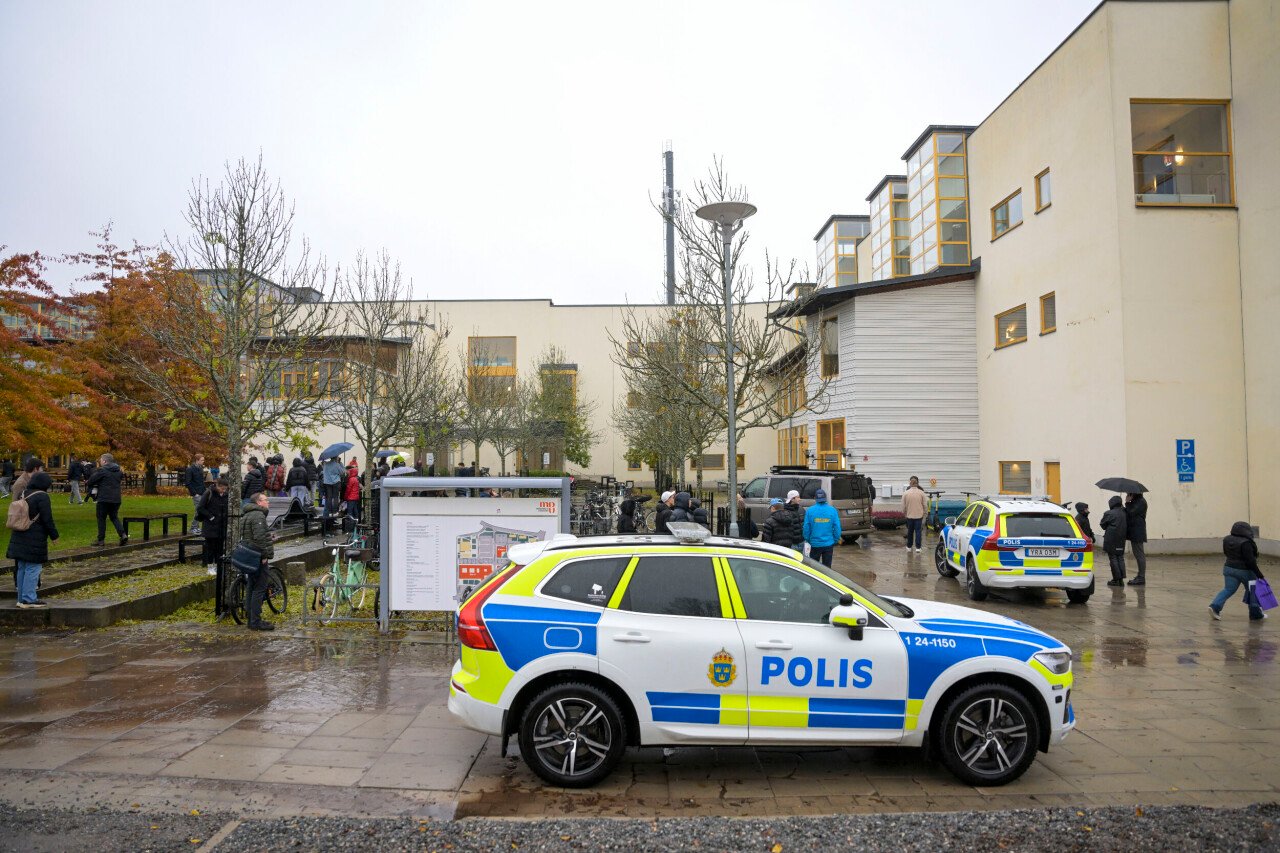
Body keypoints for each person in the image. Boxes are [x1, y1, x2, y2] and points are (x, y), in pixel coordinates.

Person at [6, 471, 58, 608]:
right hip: (34, 537)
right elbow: (47, 519)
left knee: (22, 567)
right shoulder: (42, 497)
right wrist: (54, 536)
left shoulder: (25, 493)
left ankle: (21, 598)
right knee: (33, 568)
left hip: (20, 534)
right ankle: (29, 598)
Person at [1211, 521, 1266, 622]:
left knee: (1228, 589)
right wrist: (1259, 575)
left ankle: (1214, 607)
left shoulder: (1227, 539)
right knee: (1252, 590)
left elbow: (1226, 552)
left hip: (1228, 568)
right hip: (1245, 571)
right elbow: (1250, 561)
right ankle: (1255, 614)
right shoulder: (1246, 543)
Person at [238, 492, 276, 631]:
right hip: (257, 556)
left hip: (249, 555)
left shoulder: (247, 514)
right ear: (259, 502)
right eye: (266, 500)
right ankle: (255, 621)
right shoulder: (258, 515)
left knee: (251, 587)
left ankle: (251, 618)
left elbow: (250, 536)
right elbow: (259, 538)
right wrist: (264, 555)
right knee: (259, 588)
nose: (268, 502)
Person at [85, 454, 126, 546]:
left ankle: (101, 540)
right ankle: (123, 534)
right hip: (116, 498)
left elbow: (91, 481)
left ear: (104, 461)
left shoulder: (102, 470)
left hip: (104, 498)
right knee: (114, 517)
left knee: (101, 518)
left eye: (100, 460)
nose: (100, 462)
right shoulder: (119, 471)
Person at [196, 477, 229, 576]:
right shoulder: (209, 493)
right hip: (210, 526)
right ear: (217, 486)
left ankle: (219, 566)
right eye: (222, 488)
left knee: (219, 548)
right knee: (210, 548)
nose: (223, 491)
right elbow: (200, 508)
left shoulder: (226, 495)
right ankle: (210, 566)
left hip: (221, 525)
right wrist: (211, 517)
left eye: (225, 489)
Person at [803, 488, 842, 567]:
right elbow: (837, 527)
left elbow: (806, 528)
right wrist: (835, 539)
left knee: (813, 568)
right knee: (827, 568)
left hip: (815, 544)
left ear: (815, 498)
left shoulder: (810, 510)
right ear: (825, 498)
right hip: (828, 543)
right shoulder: (832, 510)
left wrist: (808, 539)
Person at [1099, 495, 1128, 587]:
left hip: (1111, 538)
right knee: (1120, 557)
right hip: (1121, 538)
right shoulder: (1125, 512)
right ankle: (1121, 579)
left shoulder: (1109, 513)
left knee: (1113, 558)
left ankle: (1116, 579)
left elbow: (1103, 525)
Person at [1125, 492, 1149, 586]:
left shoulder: (1141, 502)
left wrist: (1127, 502)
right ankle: (1140, 576)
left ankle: (1141, 577)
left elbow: (1131, 512)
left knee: (1139, 554)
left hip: (1138, 532)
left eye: (1129, 493)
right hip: (1135, 531)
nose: (1128, 494)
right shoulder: (1137, 501)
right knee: (1137, 554)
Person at [902, 476, 928, 553]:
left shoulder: (905, 493)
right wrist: (925, 513)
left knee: (910, 531)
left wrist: (905, 513)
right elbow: (925, 505)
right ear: (917, 483)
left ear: (910, 483)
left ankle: (909, 546)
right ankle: (918, 547)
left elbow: (903, 506)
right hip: (919, 516)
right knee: (918, 531)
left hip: (909, 516)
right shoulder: (921, 493)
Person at [185, 454, 206, 535]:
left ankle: (196, 527)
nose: (203, 462)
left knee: (201, 510)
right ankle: (193, 527)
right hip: (196, 493)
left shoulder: (200, 468)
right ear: (197, 460)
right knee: (198, 510)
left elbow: (201, 482)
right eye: (202, 460)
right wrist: (195, 494)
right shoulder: (190, 469)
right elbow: (188, 483)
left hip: (202, 492)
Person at [343, 460, 362, 525]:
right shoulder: (356, 479)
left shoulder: (351, 479)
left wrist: (345, 497)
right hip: (356, 497)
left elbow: (348, 489)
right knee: (355, 511)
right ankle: (356, 523)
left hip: (350, 498)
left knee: (350, 512)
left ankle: (350, 525)